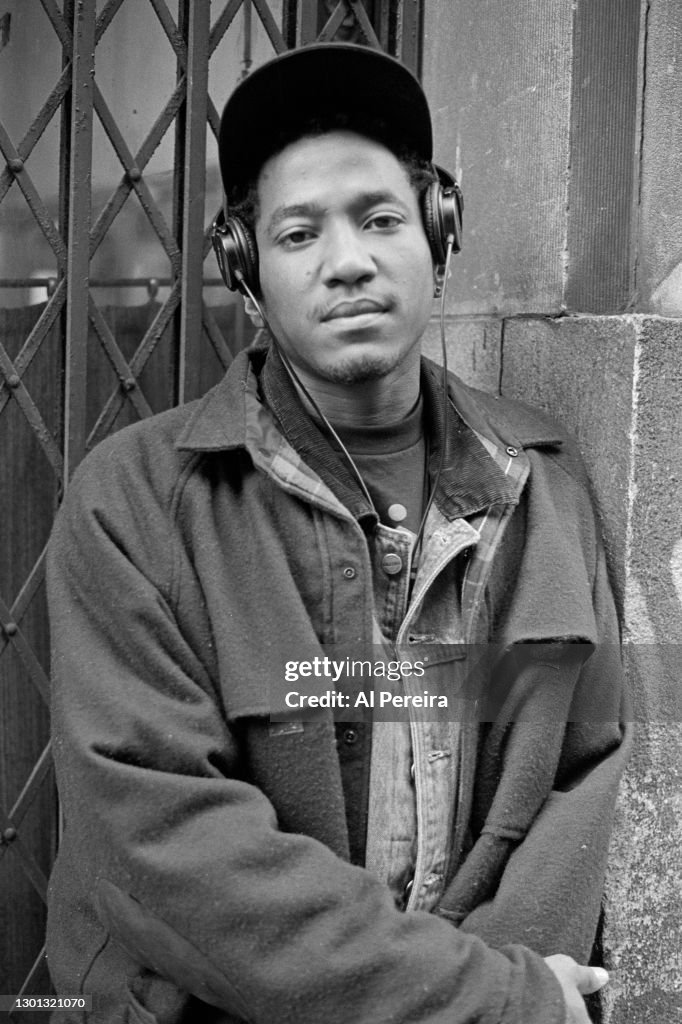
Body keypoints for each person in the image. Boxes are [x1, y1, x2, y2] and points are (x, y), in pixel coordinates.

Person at [46, 43, 631, 1024]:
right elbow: (165, 845)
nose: (348, 260)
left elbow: (579, 770)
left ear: (438, 234)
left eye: (379, 219)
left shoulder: (542, 483)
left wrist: (498, 995)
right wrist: (487, 1001)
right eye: (298, 233)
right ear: (244, 268)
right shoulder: (133, 505)